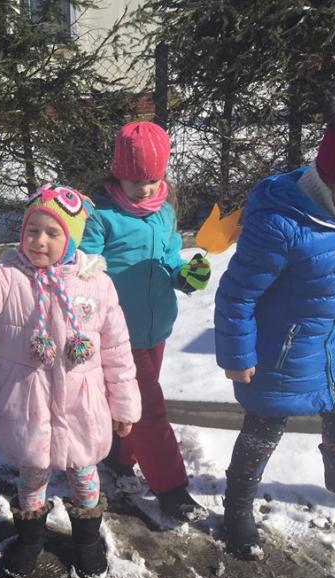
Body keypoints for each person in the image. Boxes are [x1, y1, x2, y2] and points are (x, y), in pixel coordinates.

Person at [0, 183, 142, 578]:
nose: (39, 240)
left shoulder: (96, 285)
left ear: (71, 239)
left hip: (82, 406)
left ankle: (87, 541)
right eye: (32, 230)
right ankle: (30, 539)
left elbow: (117, 350)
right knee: (31, 475)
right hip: (29, 403)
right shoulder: (9, 281)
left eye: (52, 232)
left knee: (85, 475)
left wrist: (124, 403)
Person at [215, 77, 335, 560]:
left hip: (330, 344)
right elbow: (237, 295)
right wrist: (237, 356)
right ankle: (237, 506)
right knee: (262, 431)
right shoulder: (280, 225)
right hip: (279, 354)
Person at [79, 121, 208, 522]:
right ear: (118, 173)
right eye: (136, 180)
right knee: (150, 411)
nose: (146, 188)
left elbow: (169, 257)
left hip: (157, 327)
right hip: (119, 333)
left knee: (130, 405)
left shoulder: (164, 212)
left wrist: (185, 275)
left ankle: (120, 457)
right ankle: (172, 489)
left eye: (153, 179)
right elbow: (85, 266)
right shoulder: (101, 217)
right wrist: (89, 276)